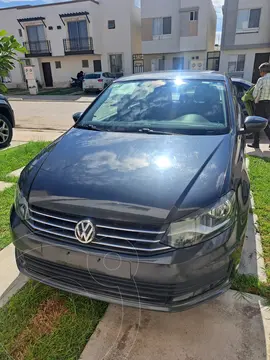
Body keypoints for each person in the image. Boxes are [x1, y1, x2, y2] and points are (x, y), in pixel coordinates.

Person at [248, 62, 270, 149]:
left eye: (260, 71)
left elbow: (255, 94)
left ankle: (256, 143)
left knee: (257, 123)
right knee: (267, 124)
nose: (260, 73)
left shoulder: (261, 80)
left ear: (263, 71)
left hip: (261, 104)